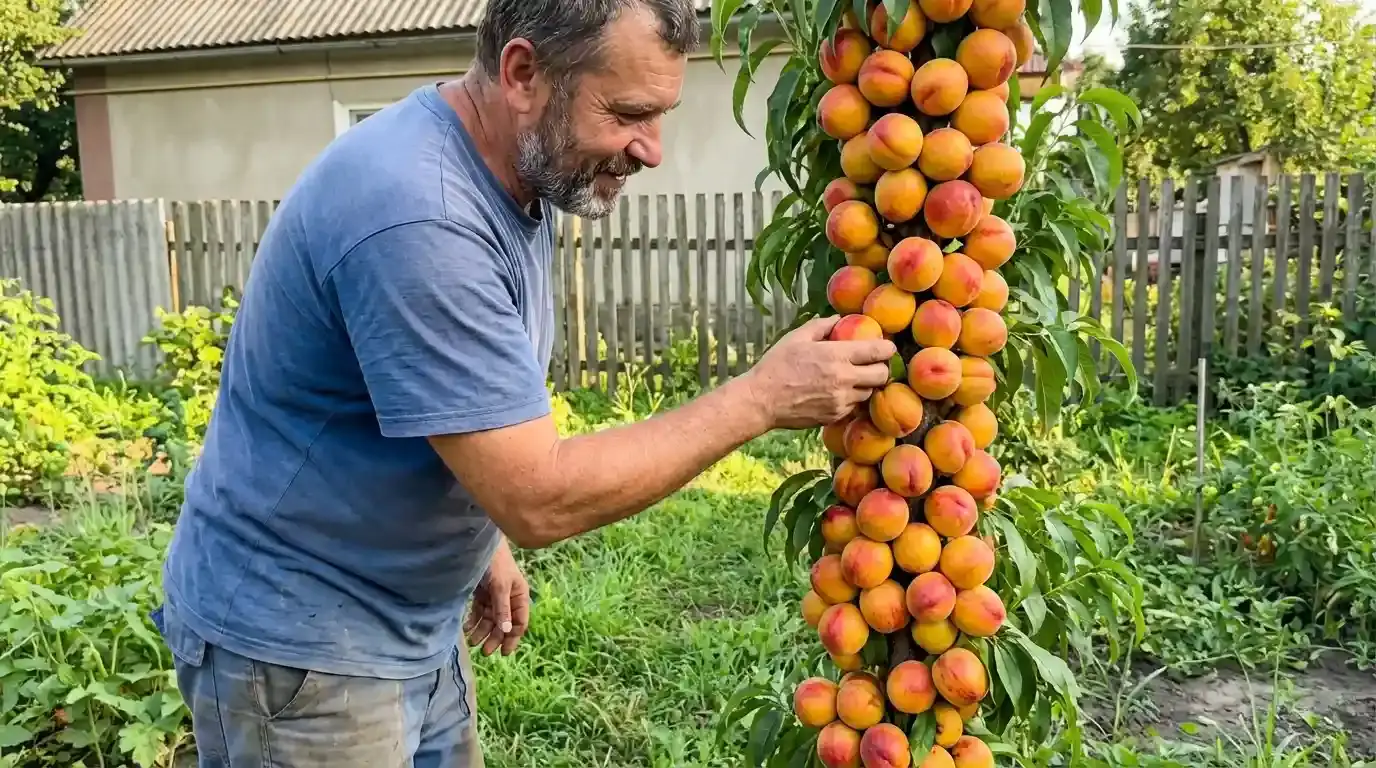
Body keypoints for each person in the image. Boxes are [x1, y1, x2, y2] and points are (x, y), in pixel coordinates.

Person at [151, 0, 897, 765]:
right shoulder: (420, 216)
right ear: (522, 74)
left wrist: (480, 537)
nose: (652, 151)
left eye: (663, 114)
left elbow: (460, 408)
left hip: (409, 621)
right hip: (303, 648)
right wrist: (759, 398)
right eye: (629, 113)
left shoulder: (514, 173)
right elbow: (538, 494)